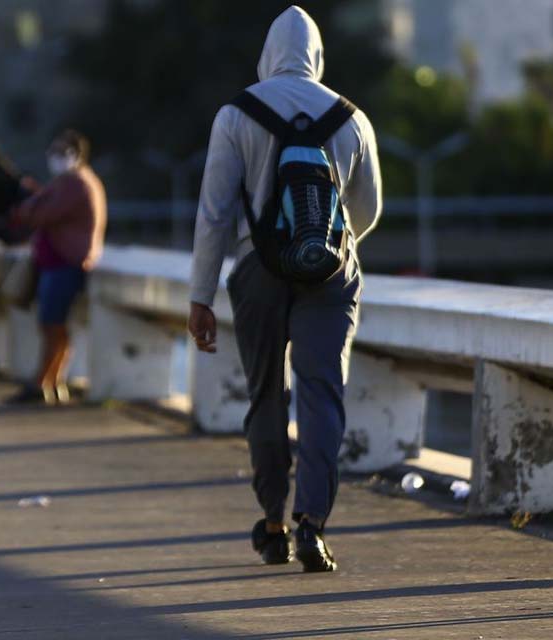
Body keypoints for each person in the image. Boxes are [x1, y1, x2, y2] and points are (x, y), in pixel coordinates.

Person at [187, 6, 381, 572]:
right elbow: (366, 211)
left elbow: (214, 213)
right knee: (323, 394)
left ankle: (272, 521)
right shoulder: (351, 117)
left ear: (268, 55)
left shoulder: (236, 114)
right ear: (317, 58)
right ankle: (312, 525)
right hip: (331, 274)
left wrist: (200, 295)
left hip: (257, 270)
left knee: (267, 393)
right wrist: (324, 245)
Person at [8, 130, 106, 405]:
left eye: (62, 152)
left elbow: (39, 213)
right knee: (52, 324)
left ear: (77, 154)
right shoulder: (69, 181)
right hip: (57, 263)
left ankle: (45, 381)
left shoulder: (75, 182)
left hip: (65, 264)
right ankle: (49, 381)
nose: (55, 157)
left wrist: (29, 205)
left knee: (52, 323)